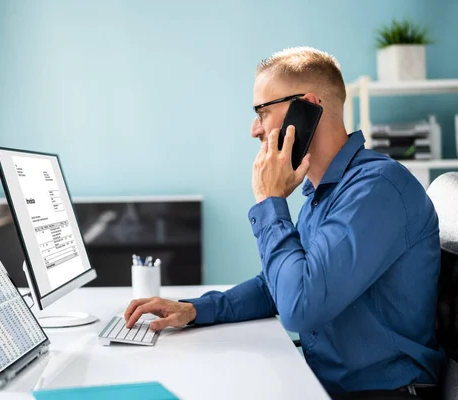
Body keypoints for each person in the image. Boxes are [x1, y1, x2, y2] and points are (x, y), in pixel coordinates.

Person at [124, 47, 446, 399]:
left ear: (307, 107)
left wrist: (270, 201)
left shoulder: (376, 190)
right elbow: (275, 286)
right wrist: (195, 309)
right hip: (327, 385)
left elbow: (299, 305)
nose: (254, 129)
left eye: (263, 111)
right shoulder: (327, 191)